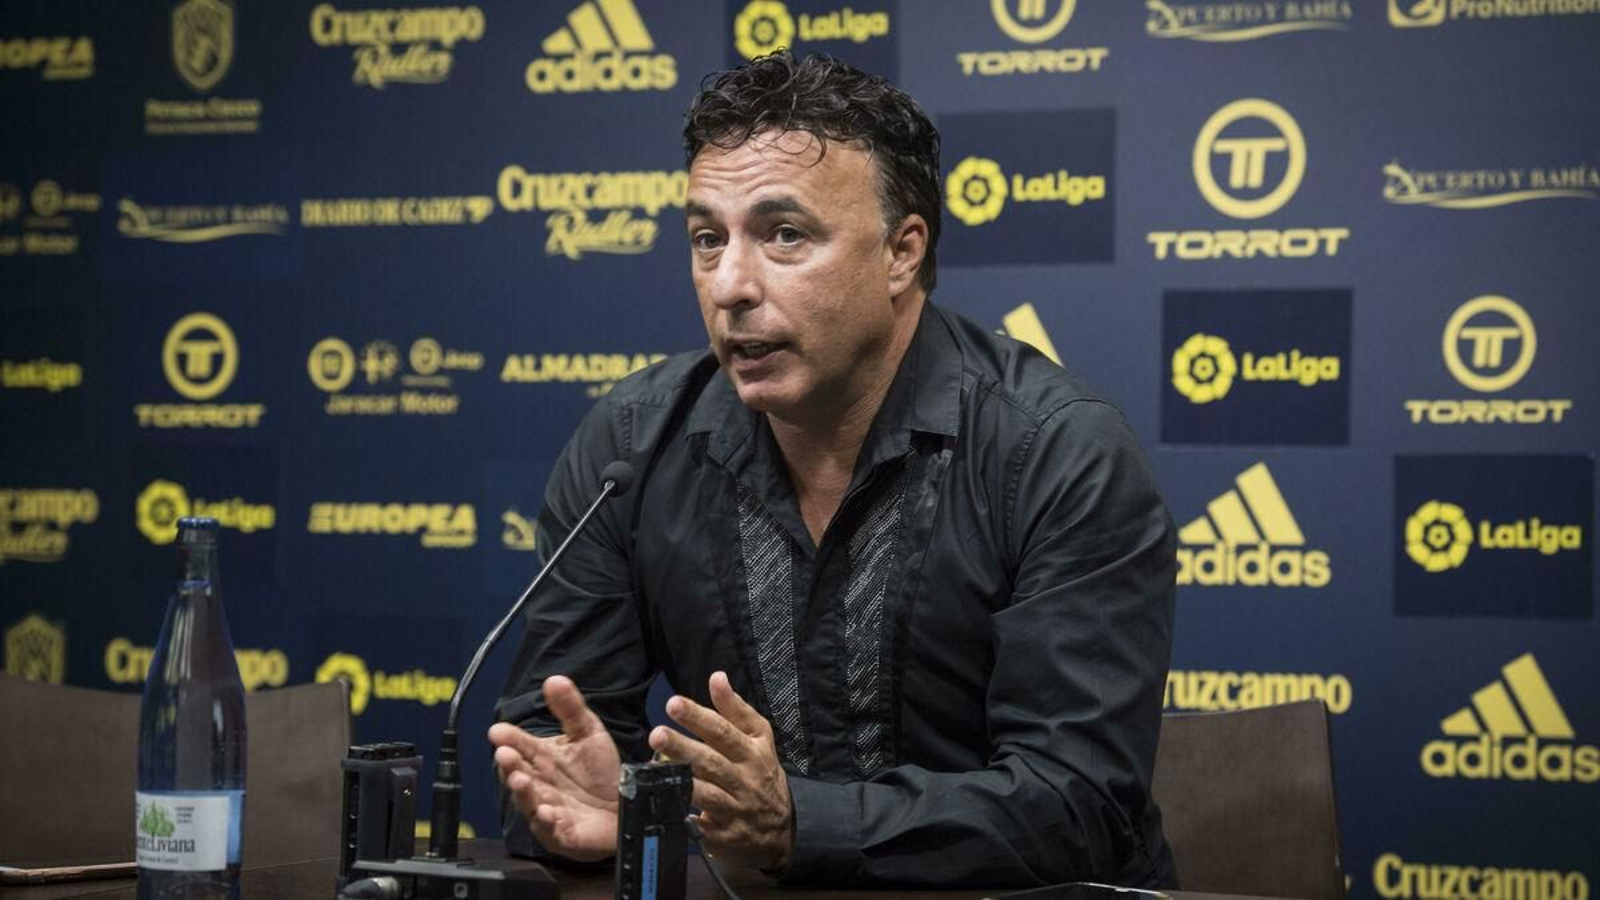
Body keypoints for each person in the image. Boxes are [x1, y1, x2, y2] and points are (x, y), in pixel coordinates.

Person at [488, 51, 1177, 889]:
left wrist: (797, 824)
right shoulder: (629, 447)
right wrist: (604, 802)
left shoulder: (1057, 454)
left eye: (785, 234)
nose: (731, 285)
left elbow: (1079, 805)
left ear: (901, 251)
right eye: (708, 240)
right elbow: (550, 736)